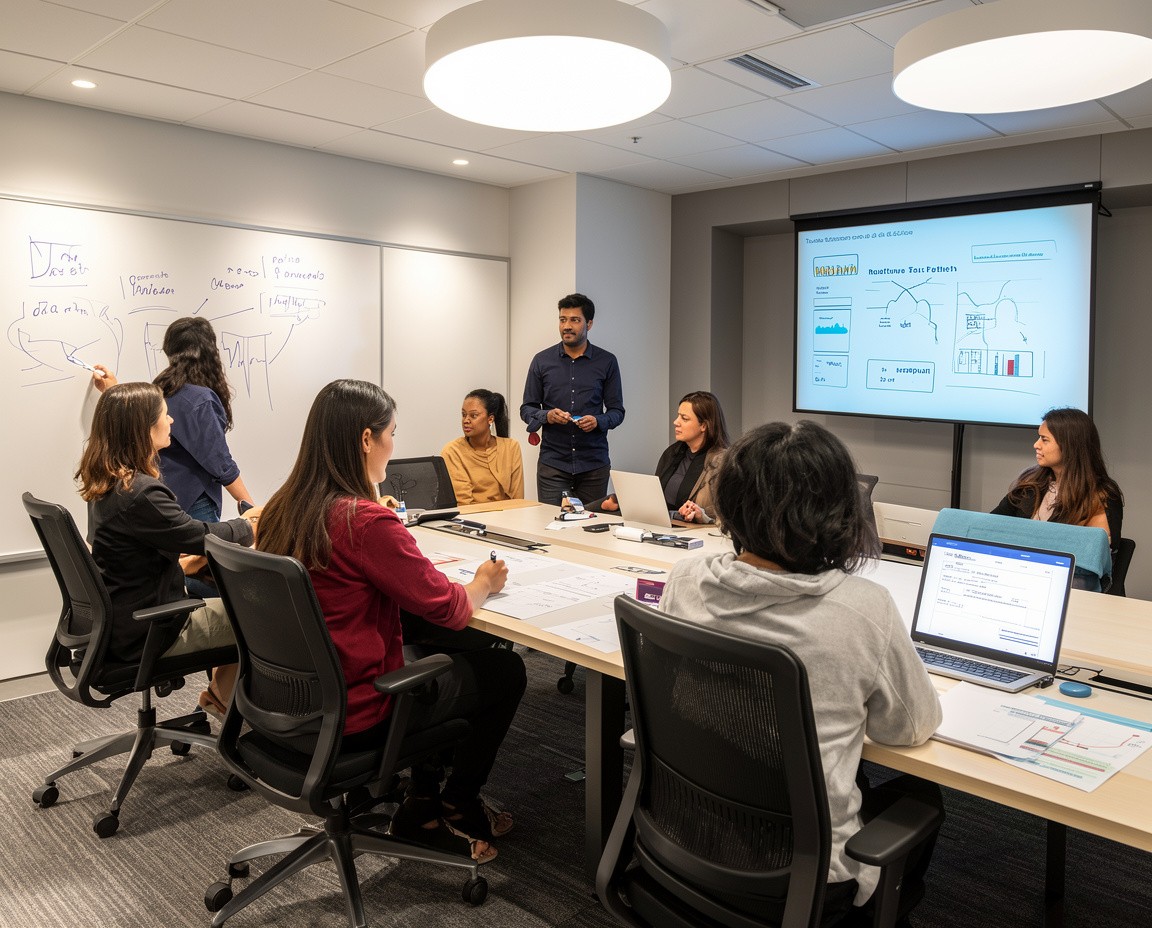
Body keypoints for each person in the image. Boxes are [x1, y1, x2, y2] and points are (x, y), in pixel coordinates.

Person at [658, 420, 943, 922]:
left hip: (685, 833)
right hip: (802, 879)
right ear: (839, 511)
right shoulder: (863, 609)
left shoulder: (686, 580)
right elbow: (910, 728)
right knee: (922, 795)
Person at [256, 379, 526, 864]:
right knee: (504, 670)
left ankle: (422, 798)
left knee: (427, 645)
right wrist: (484, 581)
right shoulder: (364, 521)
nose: (393, 447)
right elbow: (452, 607)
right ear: (366, 440)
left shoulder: (282, 508)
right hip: (357, 713)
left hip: (286, 704)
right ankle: (455, 802)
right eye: (391, 434)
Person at [76, 382, 258, 720]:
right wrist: (250, 526)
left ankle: (222, 697)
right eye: (165, 414)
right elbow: (198, 534)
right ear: (143, 428)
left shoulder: (108, 482)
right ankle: (227, 704)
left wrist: (181, 561)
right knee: (257, 617)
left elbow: (159, 541)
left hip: (122, 621)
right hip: (150, 630)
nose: (171, 420)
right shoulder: (141, 493)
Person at [95, 316, 254, 522]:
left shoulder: (158, 389)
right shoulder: (200, 400)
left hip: (161, 495)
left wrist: (112, 390)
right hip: (195, 502)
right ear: (211, 351)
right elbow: (219, 461)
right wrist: (251, 509)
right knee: (199, 552)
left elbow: (132, 425)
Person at [520, 293, 625, 505]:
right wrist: (546, 416)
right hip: (553, 464)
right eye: (562, 319)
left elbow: (617, 411)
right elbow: (526, 409)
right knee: (551, 524)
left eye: (575, 320)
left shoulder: (607, 362)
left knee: (591, 527)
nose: (567, 326)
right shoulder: (542, 361)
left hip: (593, 465)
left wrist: (598, 421)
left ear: (590, 324)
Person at [992, 406, 1123, 548]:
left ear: (1069, 445)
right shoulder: (1031, 482)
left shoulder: (1101, 494)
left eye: (1044, 439)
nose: (1036, 445)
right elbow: (990, 525)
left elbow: (1094, 555)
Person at [599, 391, 729, 523]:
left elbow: (726, 510)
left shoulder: (722, 461)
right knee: (598, 506)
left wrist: (702, 514)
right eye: (678, 416)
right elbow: (657, 499)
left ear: (704, 426)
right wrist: (625, 501)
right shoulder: (673, 452)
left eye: (684, 418)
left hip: (695, 532)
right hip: (664, 525)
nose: (676, 422)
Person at [440, 389, 525, 505]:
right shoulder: (452, 451)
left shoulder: (511, 447)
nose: (466, 420)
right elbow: (463, 504)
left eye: (473, 415)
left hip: (509, 517)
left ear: (490, 419)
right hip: (473, 520)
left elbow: (518, 500)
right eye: (463, 415)